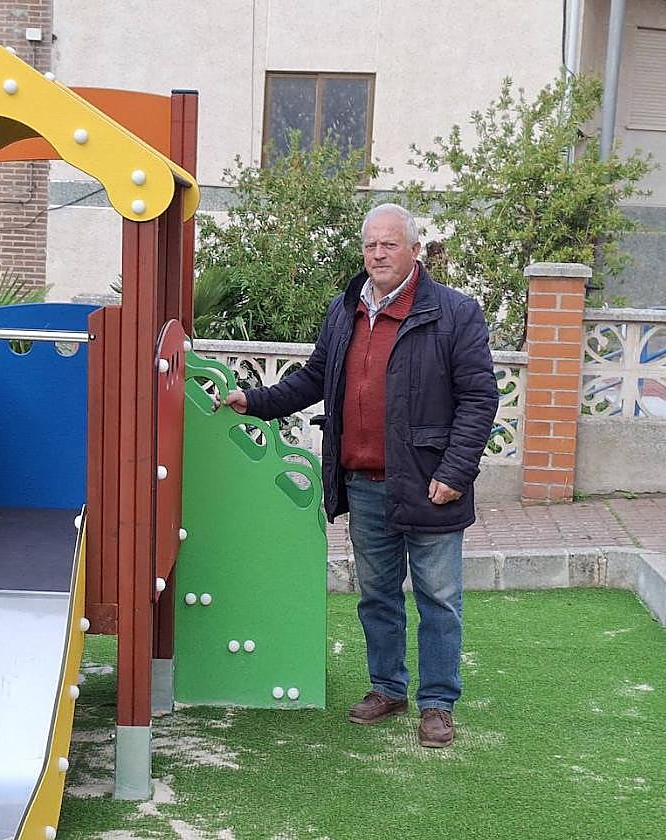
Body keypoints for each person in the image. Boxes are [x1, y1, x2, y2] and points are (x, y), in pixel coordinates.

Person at [220, 203, 498, 748]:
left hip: (431, 483)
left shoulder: (455, 313)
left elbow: (479, 398)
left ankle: (438, 703)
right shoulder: (345, 309)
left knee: (439, 599)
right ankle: (388, 689)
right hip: (365, 482)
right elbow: (316, 378)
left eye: (389, 244)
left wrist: (457, 471)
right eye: (371, 245)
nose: (378, 254)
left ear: (414, 250)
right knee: (376, 595)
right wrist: (253, 400)